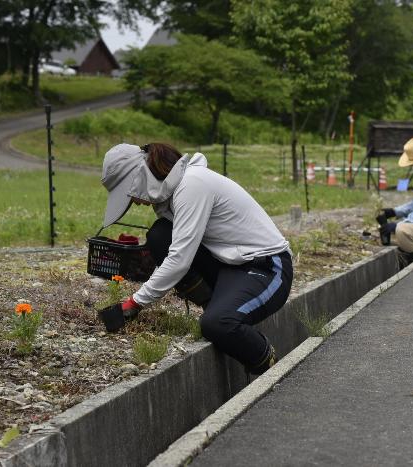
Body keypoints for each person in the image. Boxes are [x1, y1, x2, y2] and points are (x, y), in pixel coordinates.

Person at [100, 142, 293, 375]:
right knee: (160, 235)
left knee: (218, 324)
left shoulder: (192, 185)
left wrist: (134, 302)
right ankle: (216, 306)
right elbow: (175, 246)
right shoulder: (171, 196)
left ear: (140, 177)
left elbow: (180, 259)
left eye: (131, 195)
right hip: (230, 267)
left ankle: (270, 366)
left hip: (268, 267)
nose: (137, 202)